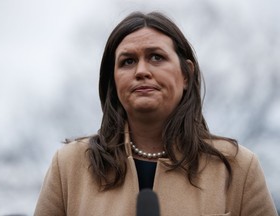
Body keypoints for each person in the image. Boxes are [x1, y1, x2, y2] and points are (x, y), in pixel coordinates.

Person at [34, 11, 277, 216]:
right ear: (113, 81)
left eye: (156, 57)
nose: (141, 71)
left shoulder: (238, 168)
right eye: (127, 61)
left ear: (186, 74)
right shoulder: (69, 166)